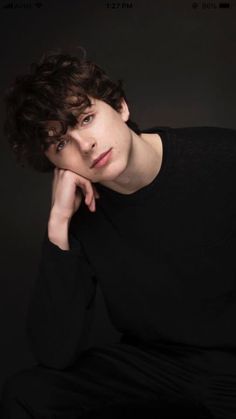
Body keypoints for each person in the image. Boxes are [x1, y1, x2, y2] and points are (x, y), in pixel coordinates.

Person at [1, 48, 236, 419]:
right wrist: (58, 224)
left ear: (121, 107)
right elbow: (53, 352)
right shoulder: (80, 215)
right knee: (25, 394)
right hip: (155, 365)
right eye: (60, 143)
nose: (85, 145)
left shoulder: (223, 158)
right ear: (53, 163)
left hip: (231, 364)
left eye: (86, 118)